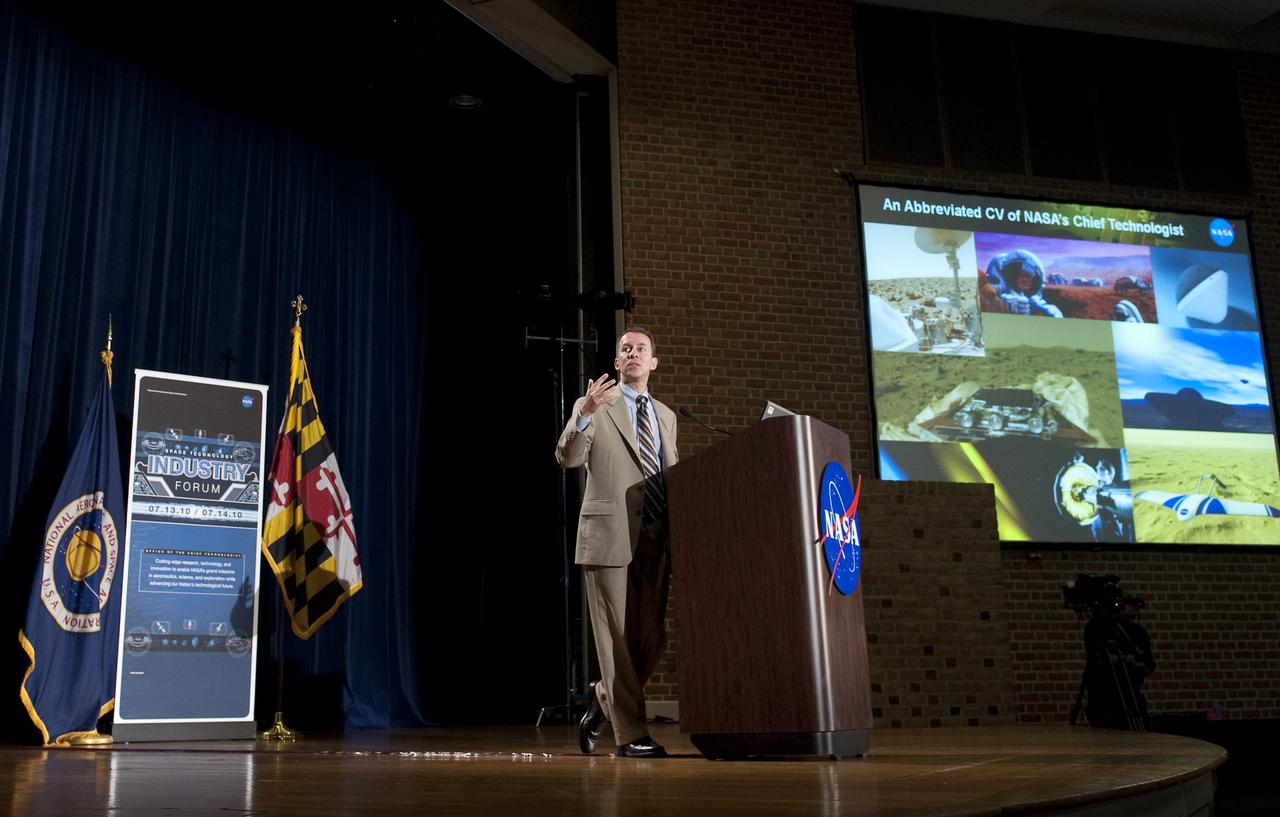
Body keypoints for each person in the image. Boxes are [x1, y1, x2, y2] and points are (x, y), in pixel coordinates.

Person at [556, 327, 677, 758]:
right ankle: (630, 734)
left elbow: (671, 474)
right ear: (616, 361)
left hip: (656, 538)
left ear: (653, 362)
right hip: (608, 536)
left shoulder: (666, 416)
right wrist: (584, 413)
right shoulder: (594, 407)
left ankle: (602, 699)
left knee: (652, 637)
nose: (633, 353)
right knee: (616, 638)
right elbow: (567, 457)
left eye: (641, 349)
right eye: (625, 348)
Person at [1083, 599, 1155, 730]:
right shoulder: (1096, 629)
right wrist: (1126, 659)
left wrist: (1136, 664)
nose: (1130, 620)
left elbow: (1149, 666)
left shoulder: (1138, 633)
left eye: (1134, 617)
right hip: (1102, 695)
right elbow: (1095, 660)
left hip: (1131, 692)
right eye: (1126, 617)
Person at [985, 250, 1064, 317]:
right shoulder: (1000, 284)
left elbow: (1050, 310)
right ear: (1016, 274)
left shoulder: (1033, 298)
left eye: (1029, 276)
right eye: (1022, 275)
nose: (1025, 280)